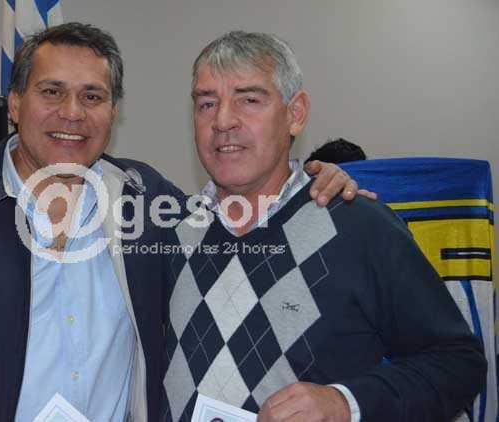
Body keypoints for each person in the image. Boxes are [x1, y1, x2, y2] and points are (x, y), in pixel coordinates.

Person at [0, 23, 363, 422]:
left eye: (93, 96)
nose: (73, 112)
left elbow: (243, 210)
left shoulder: (149, 203)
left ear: (114, 112)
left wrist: (315, 180)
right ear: (15, 104)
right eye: (51, 92)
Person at [161, 31, 486, 422]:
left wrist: (345, 403)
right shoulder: (168, 233)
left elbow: (458, 361)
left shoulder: (359, 226)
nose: (223, 121)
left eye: (249, 100)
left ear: (295, 114)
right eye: (207, 103)